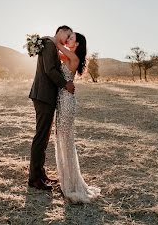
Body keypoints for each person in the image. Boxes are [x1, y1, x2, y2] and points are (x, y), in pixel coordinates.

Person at [51, 32, 101, 203]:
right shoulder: (67, 55)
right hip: (62, 99)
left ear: (77, 44)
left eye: (71, 38)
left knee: (66, 139)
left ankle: (71, 184)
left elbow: (56, 46)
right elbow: (54, 53)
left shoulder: (73, 57)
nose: (67, 40)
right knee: (62, 138)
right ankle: (67, 179)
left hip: (66, 101)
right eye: (68, 37)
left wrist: (49, 39)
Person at [28, 26, 75, 190]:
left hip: (45, 96)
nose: (68, 39)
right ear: (60, 31)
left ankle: (40, 174)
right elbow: (50, 70)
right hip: (43, 96)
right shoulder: (48, 44)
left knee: (44, 136)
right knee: (41, 136)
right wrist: (65, 84)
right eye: (67, 35)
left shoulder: (51, 45)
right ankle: (34, 178)